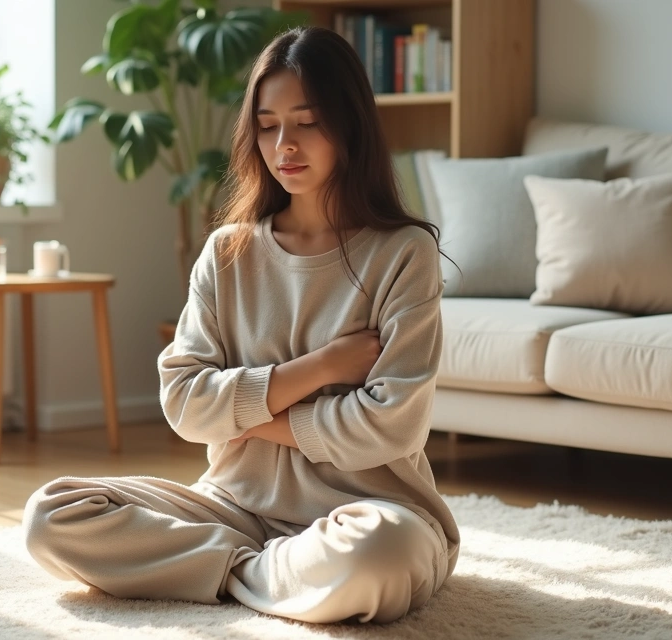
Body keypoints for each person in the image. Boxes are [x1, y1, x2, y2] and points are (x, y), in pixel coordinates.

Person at [23, 25, 459, 625]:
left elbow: (390, 426)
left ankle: (219, 571)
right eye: (267, 123)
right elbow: (182, 403)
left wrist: (250, 418)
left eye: (307, 121)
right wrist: (323, 368)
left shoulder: (403, 252)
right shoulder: (229, 252)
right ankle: (261, 572)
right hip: (233, 507)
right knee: (50, 517)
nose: (285, 143)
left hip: (370, 508)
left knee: (380, 557)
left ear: (349, 124)